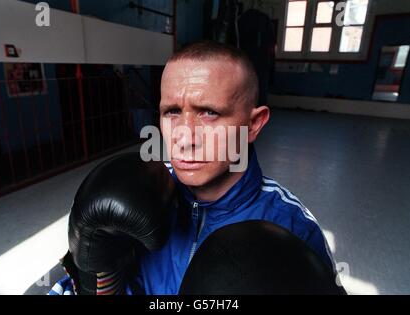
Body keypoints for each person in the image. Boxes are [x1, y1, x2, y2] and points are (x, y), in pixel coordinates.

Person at [49, 40, 335, 295]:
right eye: (172, 112)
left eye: (209, 113)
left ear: (253, 124)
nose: (184, 137)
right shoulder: (141, 193)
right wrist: (95, 276)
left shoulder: (292, 225)